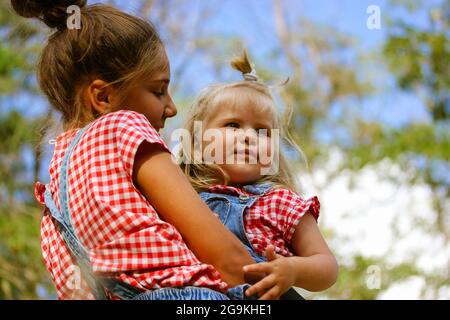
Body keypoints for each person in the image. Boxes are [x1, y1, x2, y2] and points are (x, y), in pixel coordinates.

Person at [12, 0, 259, 300]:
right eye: (158, 91)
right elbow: (229, 260)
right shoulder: (123, 128)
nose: (171, 108)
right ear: (103, 97)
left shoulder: (52, 201)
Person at [179, 51, 339, 299]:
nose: (249, 137)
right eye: (232, 125)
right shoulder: (183, 198)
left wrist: (293, 269)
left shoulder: (279, 201)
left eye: (262, 131)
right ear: (198, 142)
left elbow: (327, 267)